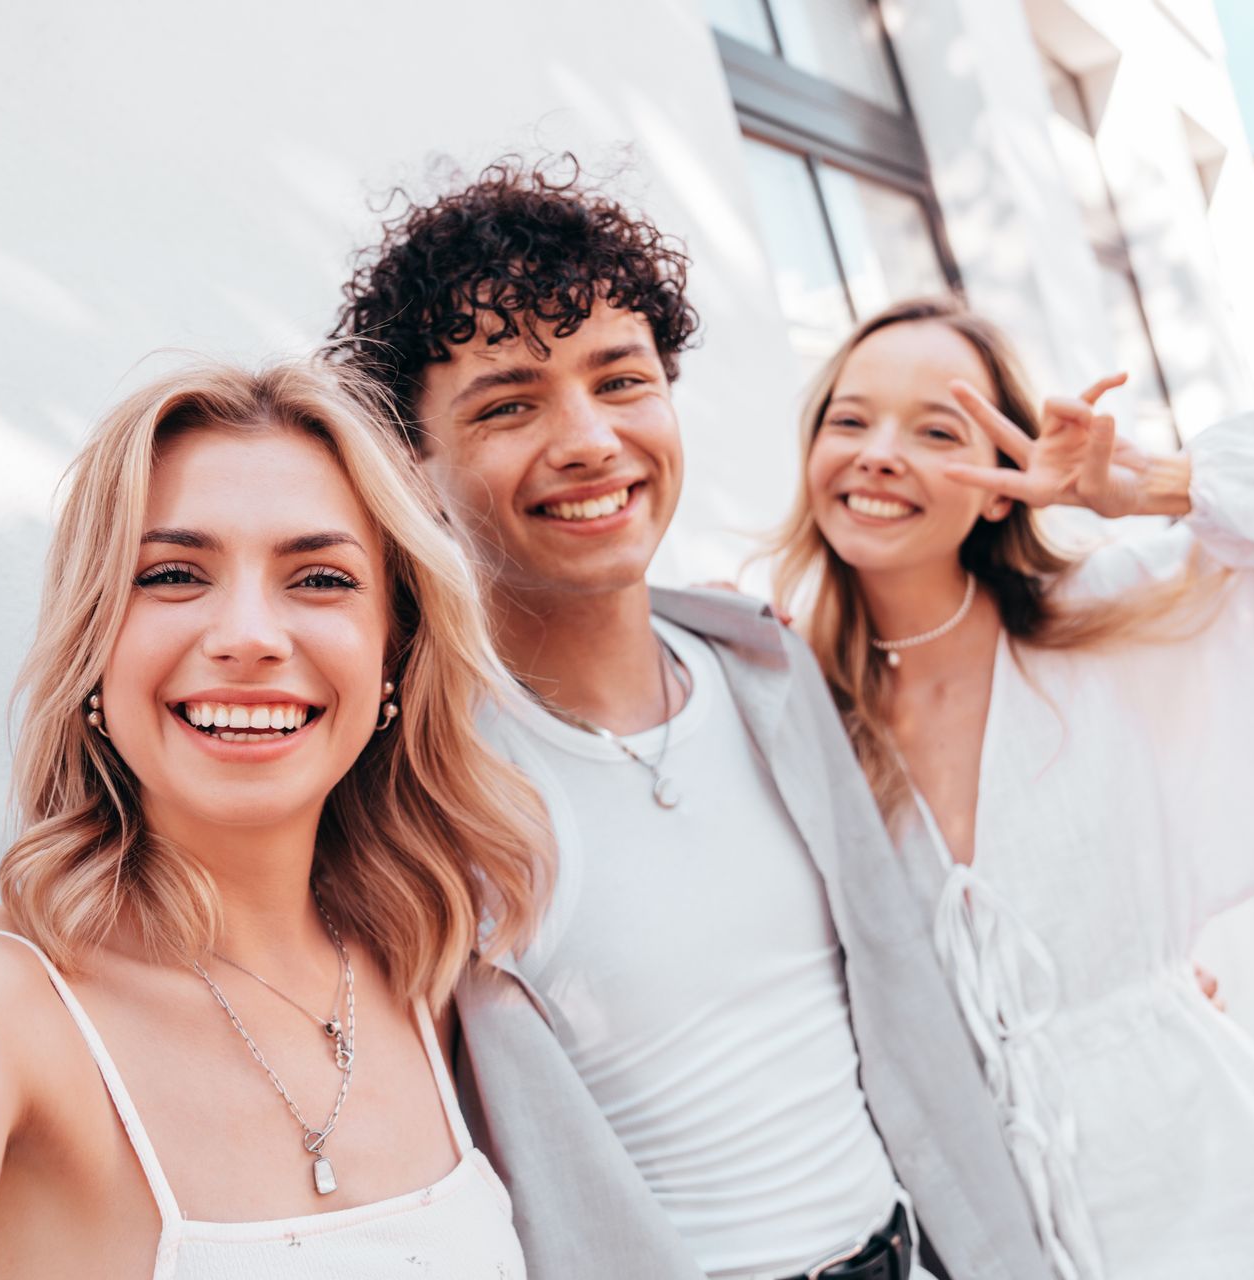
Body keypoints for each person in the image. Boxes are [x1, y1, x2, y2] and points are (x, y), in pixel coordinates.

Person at [0, 358, 549, 1279]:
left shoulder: (427, 967)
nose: (249, 636)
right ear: (93, 646)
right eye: (172, 574)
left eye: (320, 579)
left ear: (394, 655)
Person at [334, 158, 1053, 1280]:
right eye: (510, 403)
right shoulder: (420, 783)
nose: (588, 439)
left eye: (621, 380)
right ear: (412, 464)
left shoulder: (766, 671)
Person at [768, 297, 1254, 1279]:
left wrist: (1159, 485)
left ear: (1003, 486)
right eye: (850, 419)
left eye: (937, 430)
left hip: (1214, 1190)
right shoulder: (796, 711)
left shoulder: (1108, 617)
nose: (880, 454)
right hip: (985, 1231)